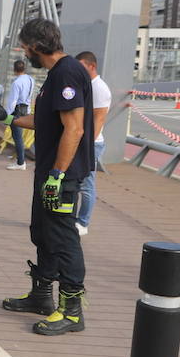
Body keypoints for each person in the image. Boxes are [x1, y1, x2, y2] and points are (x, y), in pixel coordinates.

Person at [0, 19, 93, 335]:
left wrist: (56, 175)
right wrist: (8, 117)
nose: (25, 55)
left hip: (61, 177)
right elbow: (44, 120)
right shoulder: (56, 74)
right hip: (49, 173)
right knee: (43, 233)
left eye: (26, 49)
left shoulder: (67, 72)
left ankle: (72, 311)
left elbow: (75, 128)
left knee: (63, 238)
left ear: (37, 46)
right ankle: (42, 296)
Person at [73, 51, 111, 236]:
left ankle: (83, 222)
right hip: (81, 140)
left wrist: (87, 144)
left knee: (87, 183)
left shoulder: (100, 88)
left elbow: (99, 118)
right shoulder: (86, 85)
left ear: (92, 66)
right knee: (77, 181)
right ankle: (74, 219)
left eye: (81, 66)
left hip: (91, 144)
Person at [2, 58, 34, 171]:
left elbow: (12, 101)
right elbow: (30, 96)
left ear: (14, 69)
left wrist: (6, 116)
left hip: (17, 110)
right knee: (19, 136)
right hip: (25, 109)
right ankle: (20, 160)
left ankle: (21, 162)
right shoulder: (30, 79)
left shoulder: (16, 82)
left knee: (17, 137)